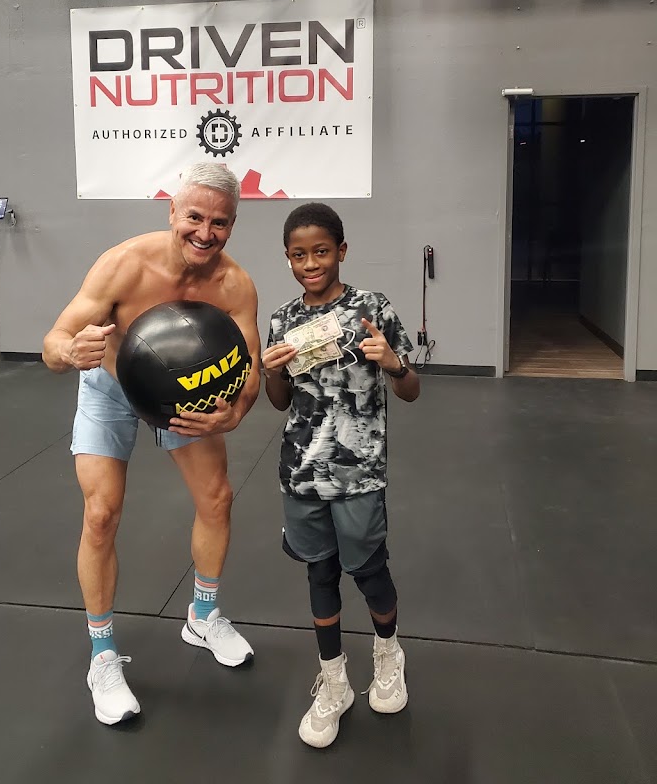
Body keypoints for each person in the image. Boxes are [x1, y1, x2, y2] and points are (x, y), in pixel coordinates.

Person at [42, 163, 261, 725]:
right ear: (172, 211)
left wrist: (233, 412)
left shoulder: (234, 286)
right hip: (110, 386)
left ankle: (202, 616)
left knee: (217, 499)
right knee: (100, 514)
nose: (205, 233)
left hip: (186, 395)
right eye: (194, 217)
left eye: (219, 223)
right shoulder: (125, 265)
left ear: (232, 225)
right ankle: (102, 655)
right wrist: (71, 352)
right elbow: (53, 342)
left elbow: (252, 367)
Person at [262, 203, 420, 748]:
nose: (311, 263)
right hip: (301, 469)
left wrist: (394, 362)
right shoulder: (282, 320)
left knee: (369, 570)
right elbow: (279, 402)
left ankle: (388, 652)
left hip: (359, 471)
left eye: (321, 252)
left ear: (342, 251)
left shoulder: (372, 308)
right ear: (287, 259)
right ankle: (334, 679)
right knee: (320, 573)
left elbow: (411, 389)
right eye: (298, 255)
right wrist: (272, 372)